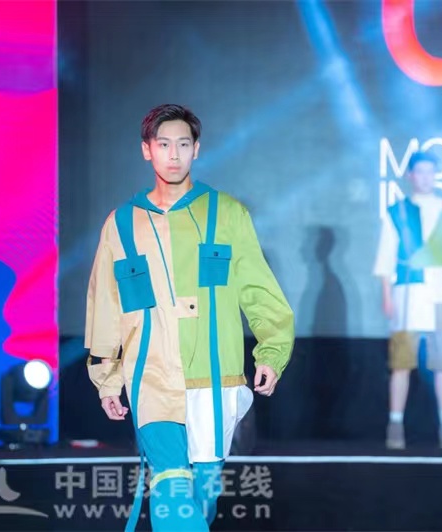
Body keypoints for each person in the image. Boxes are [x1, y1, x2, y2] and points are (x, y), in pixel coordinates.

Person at [84, 104, 295, 530]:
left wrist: (272, 352)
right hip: (150, 376)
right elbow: (105, 302)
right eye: (164, 144)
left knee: (203, 496)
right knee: (171, 490)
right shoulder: (122, 225)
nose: (174, 154)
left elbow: (258, 289)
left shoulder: (227, 214)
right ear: (147, 150)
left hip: (213, 379)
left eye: (183, 144)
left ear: (196, 149)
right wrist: (107, 376)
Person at [373, 151, 442, 451]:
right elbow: (386, 254)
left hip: (441, 293)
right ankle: (395, 426)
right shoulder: (398, 212)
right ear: (410, 175)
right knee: (401, 363)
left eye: (431, 172)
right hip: (407, 294)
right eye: (420, 172)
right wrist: (387, 295)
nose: (426, 177)